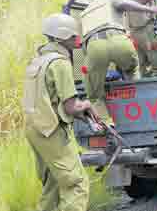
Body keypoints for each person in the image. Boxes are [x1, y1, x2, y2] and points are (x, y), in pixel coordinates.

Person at [23, 13, 102, 211]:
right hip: (51, 130)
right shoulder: (60, 63)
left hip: (35, 130)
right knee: (75, 184)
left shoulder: (38, 62)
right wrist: (87, 106)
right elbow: (71, 107)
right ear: (62, 37)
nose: (78, 40)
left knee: (54, 183)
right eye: (74, 36)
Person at [81, 0, 157, 124]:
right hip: (118, 39)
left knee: (94, 94)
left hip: (93, 46)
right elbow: (124, 3)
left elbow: (84, 47)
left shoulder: (85, 12)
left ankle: (108, 125)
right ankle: (140, 111)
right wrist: (150, 9)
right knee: (132, 71)